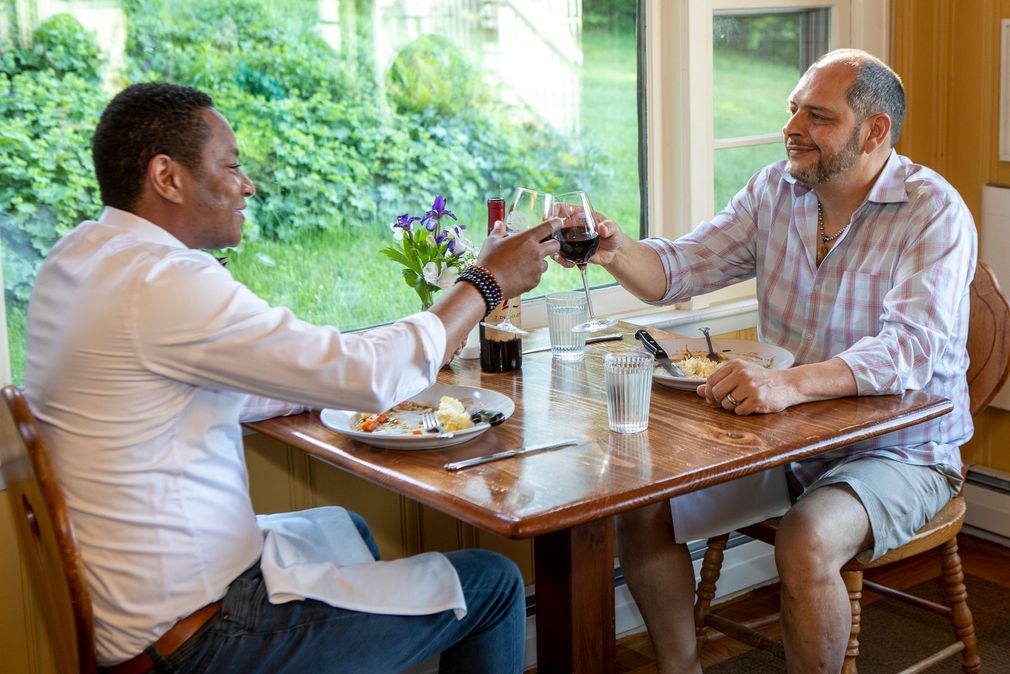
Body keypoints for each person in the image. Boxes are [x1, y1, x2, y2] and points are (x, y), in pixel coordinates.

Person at [23, 82, 561, 674]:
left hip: (128, 607)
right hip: (197, 641)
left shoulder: (79, 255)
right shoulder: (163, 282)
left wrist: (325, 379)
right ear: (167, 177)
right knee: (493, 584)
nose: (247, 184)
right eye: (231, 165)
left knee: (344, 527)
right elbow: (368, 373)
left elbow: (216, 378)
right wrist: (484, 284)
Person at [581, 49, 976, 673]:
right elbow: (677, 271)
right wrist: (614, 249)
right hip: (788, 444)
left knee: (806, 538)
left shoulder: (933, 211)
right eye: (792, 108)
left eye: (817, 116)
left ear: (874, 131)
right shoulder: (776, 189)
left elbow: (911, 352)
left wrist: (786, 384)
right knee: (639, 500)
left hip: (903, 453)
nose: (791, 128)